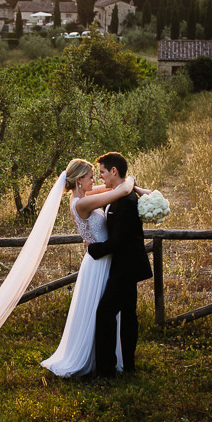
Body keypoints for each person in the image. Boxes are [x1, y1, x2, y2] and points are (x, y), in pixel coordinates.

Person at [41, 158, 141, 377]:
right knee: (101, 312)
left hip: (104, 259)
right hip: (99, 263)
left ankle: (108, 360)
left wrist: (134, 186)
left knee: (106, 311)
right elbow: (121, 190)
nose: (94, 179)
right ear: (79, 181)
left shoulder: (83, 196)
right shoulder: (81, 203)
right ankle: (97, 361)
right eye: (90, 177)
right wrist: (132, 181)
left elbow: (114, 187)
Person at [87, 152, 153, 376]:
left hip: (126, 266)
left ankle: (107, 369)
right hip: (126, 265)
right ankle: (128, 366)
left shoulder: (125, 202)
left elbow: (118, 241)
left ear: (114, 171)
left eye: (103, 172)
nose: (101, 177)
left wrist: (92, 249)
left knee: (106, 313)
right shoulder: (119, 194)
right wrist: (132, 184)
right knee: (127, 315)